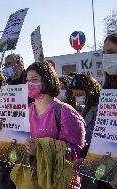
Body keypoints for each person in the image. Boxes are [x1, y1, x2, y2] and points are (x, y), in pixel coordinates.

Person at [0, 61, 86, 189]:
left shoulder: (66, 113)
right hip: (30, 182)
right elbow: (12, 151)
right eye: (27, 80)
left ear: (48, 80)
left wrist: (41, 148)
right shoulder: (24, 112)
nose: (29, 84)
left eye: (35, 79)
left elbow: (77, 153)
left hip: (58, 182)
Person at [97, 31, 117, 189]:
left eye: (111, 52)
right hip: (107, 173)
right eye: (104, 53)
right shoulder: (107, 91)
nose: (107, 57)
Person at [69, 74, 101, 155]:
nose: (77, 98)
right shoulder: (87, 106)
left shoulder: (101, 107)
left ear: (88, 90)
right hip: (86, 150)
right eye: (75, 95)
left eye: (79, 95)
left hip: (96, 151)